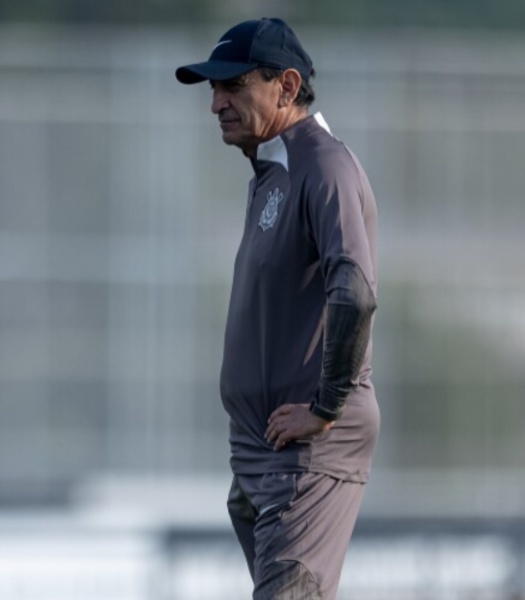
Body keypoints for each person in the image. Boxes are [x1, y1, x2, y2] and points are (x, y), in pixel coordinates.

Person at [176, 18, 380, 600]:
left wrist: (326, 405)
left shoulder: (324, 165)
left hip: (309, 450)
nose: (215, 103)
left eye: (233, 87)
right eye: (213, 90)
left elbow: (356, 290)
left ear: (286, 87)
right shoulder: (275, 170)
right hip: (262, 454)